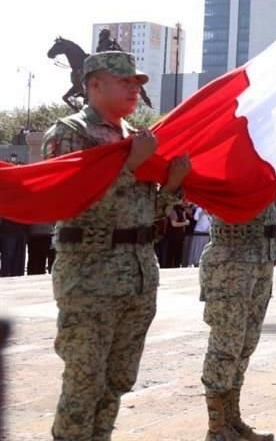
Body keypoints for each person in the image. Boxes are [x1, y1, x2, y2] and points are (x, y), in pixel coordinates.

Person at [41, 51, 190, 441]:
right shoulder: (69, 132)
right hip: (90, 274)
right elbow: (70, 199)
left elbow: (145, 212)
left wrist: (170, 186)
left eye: (137, 83)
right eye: (123, 81)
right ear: (94, 85)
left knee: (119, 378)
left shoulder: (136, 138)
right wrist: (128, 166)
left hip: (138, 272)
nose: (133, 89)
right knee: (84, 378)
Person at [199, 124, 276, 441]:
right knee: (226, 345)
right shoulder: (224, 152)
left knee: (245, 344)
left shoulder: (266, 156)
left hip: (262, 256)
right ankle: (216, 427)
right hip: (232, 257)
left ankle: (232, 420)